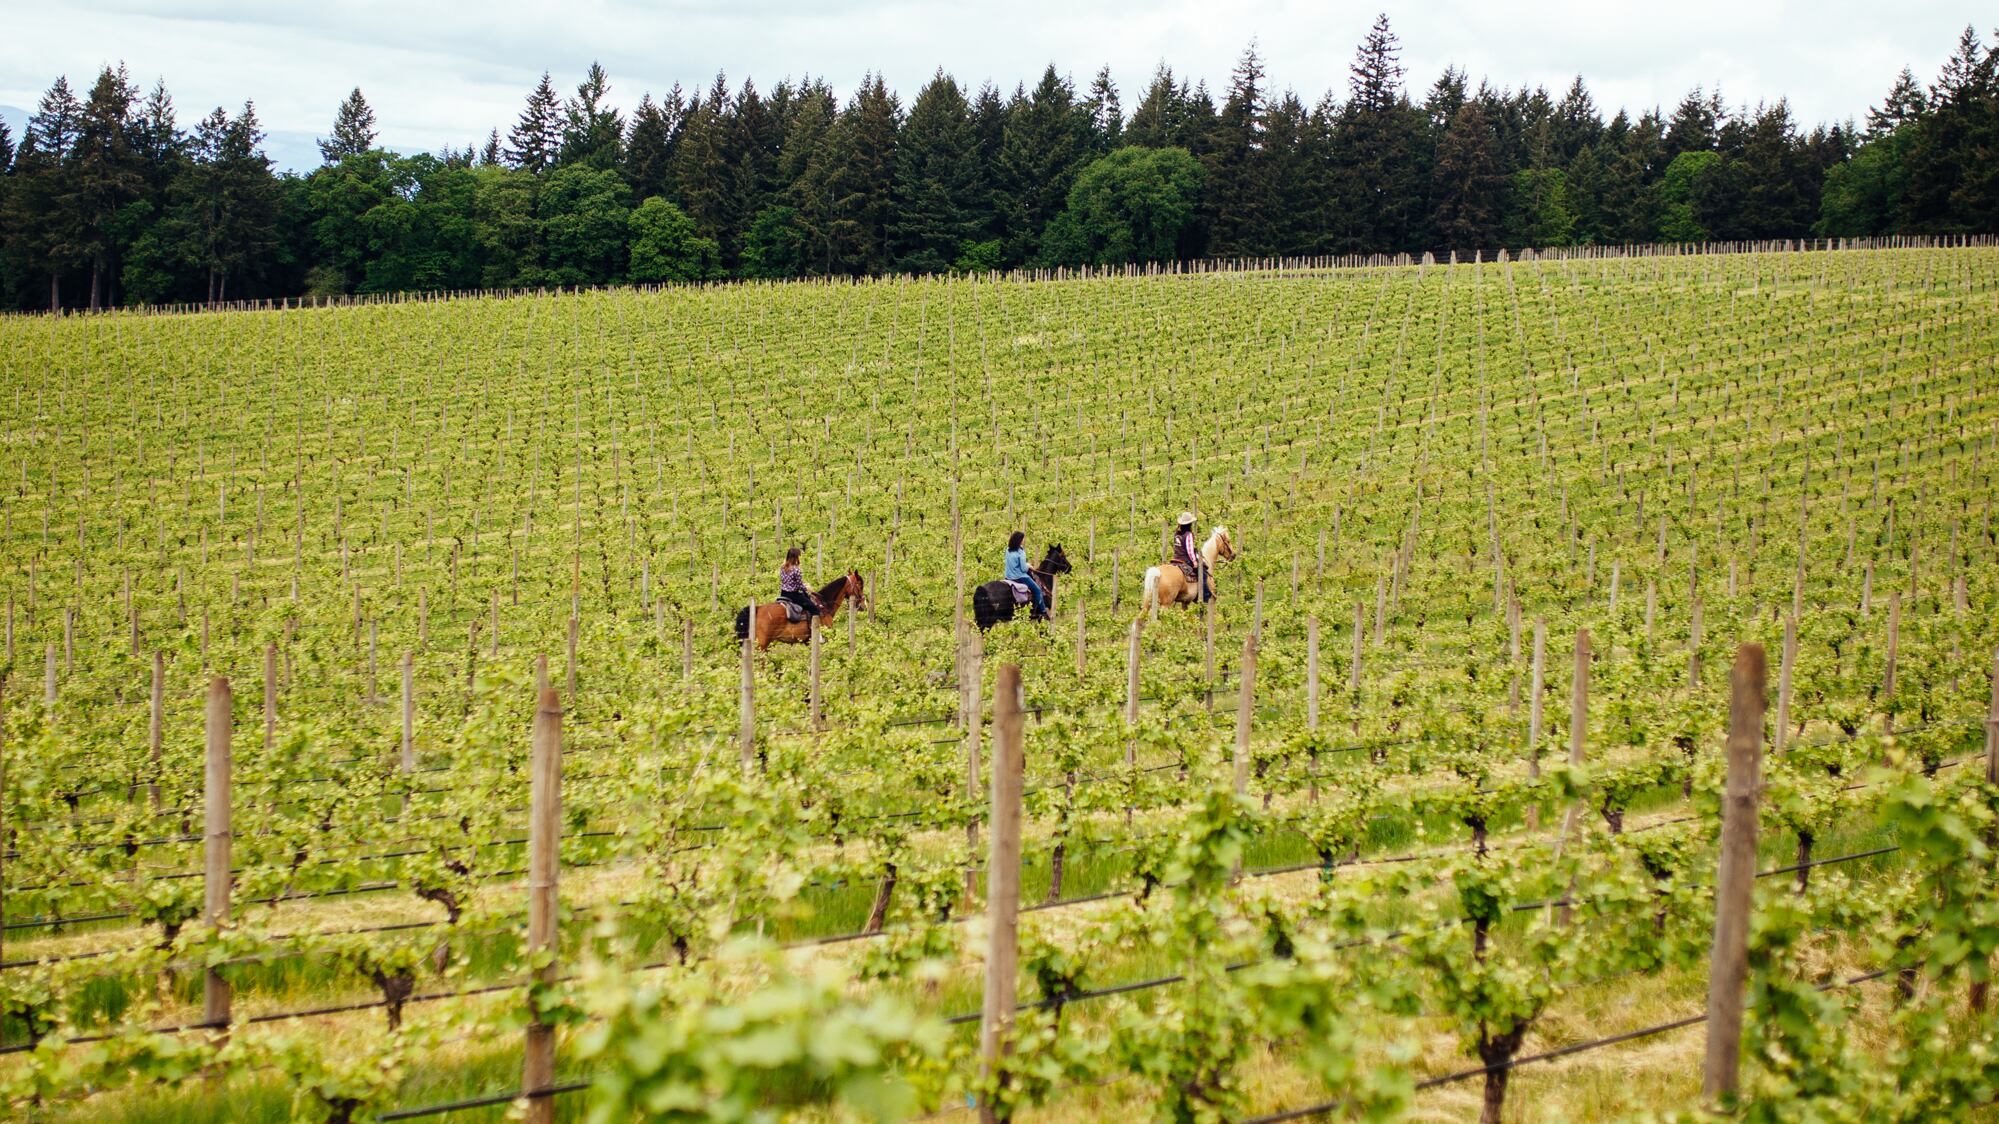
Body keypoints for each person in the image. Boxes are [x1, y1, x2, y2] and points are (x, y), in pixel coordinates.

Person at [1004, 531, 1049, 618]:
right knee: (1038, 590)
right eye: (1023, 539)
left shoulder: (1008, 550)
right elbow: (1023, 569)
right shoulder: (1021, 552)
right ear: (1019, 540)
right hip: (1019, 577)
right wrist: (1028, 565)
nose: (1024, 540)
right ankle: (1041, 611)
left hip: (1008, 576)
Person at [1171, 511, 1211, 601]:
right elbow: (1190, 551)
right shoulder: (1188, 535)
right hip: (1185, 560)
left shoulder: (1176, 534)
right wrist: (1194, 561)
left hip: (1176, 559)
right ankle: (1205, 596)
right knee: (1203, 573)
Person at [777, 547, 821, 619]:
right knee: (814, 609)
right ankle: (814, 625)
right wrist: (807, 588)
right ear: (795, 557)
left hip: (783, 593)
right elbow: (799, 585)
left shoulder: (782, 567)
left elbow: (786, 581)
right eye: (798, 556)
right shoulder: (796, 569)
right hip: (793, 595)